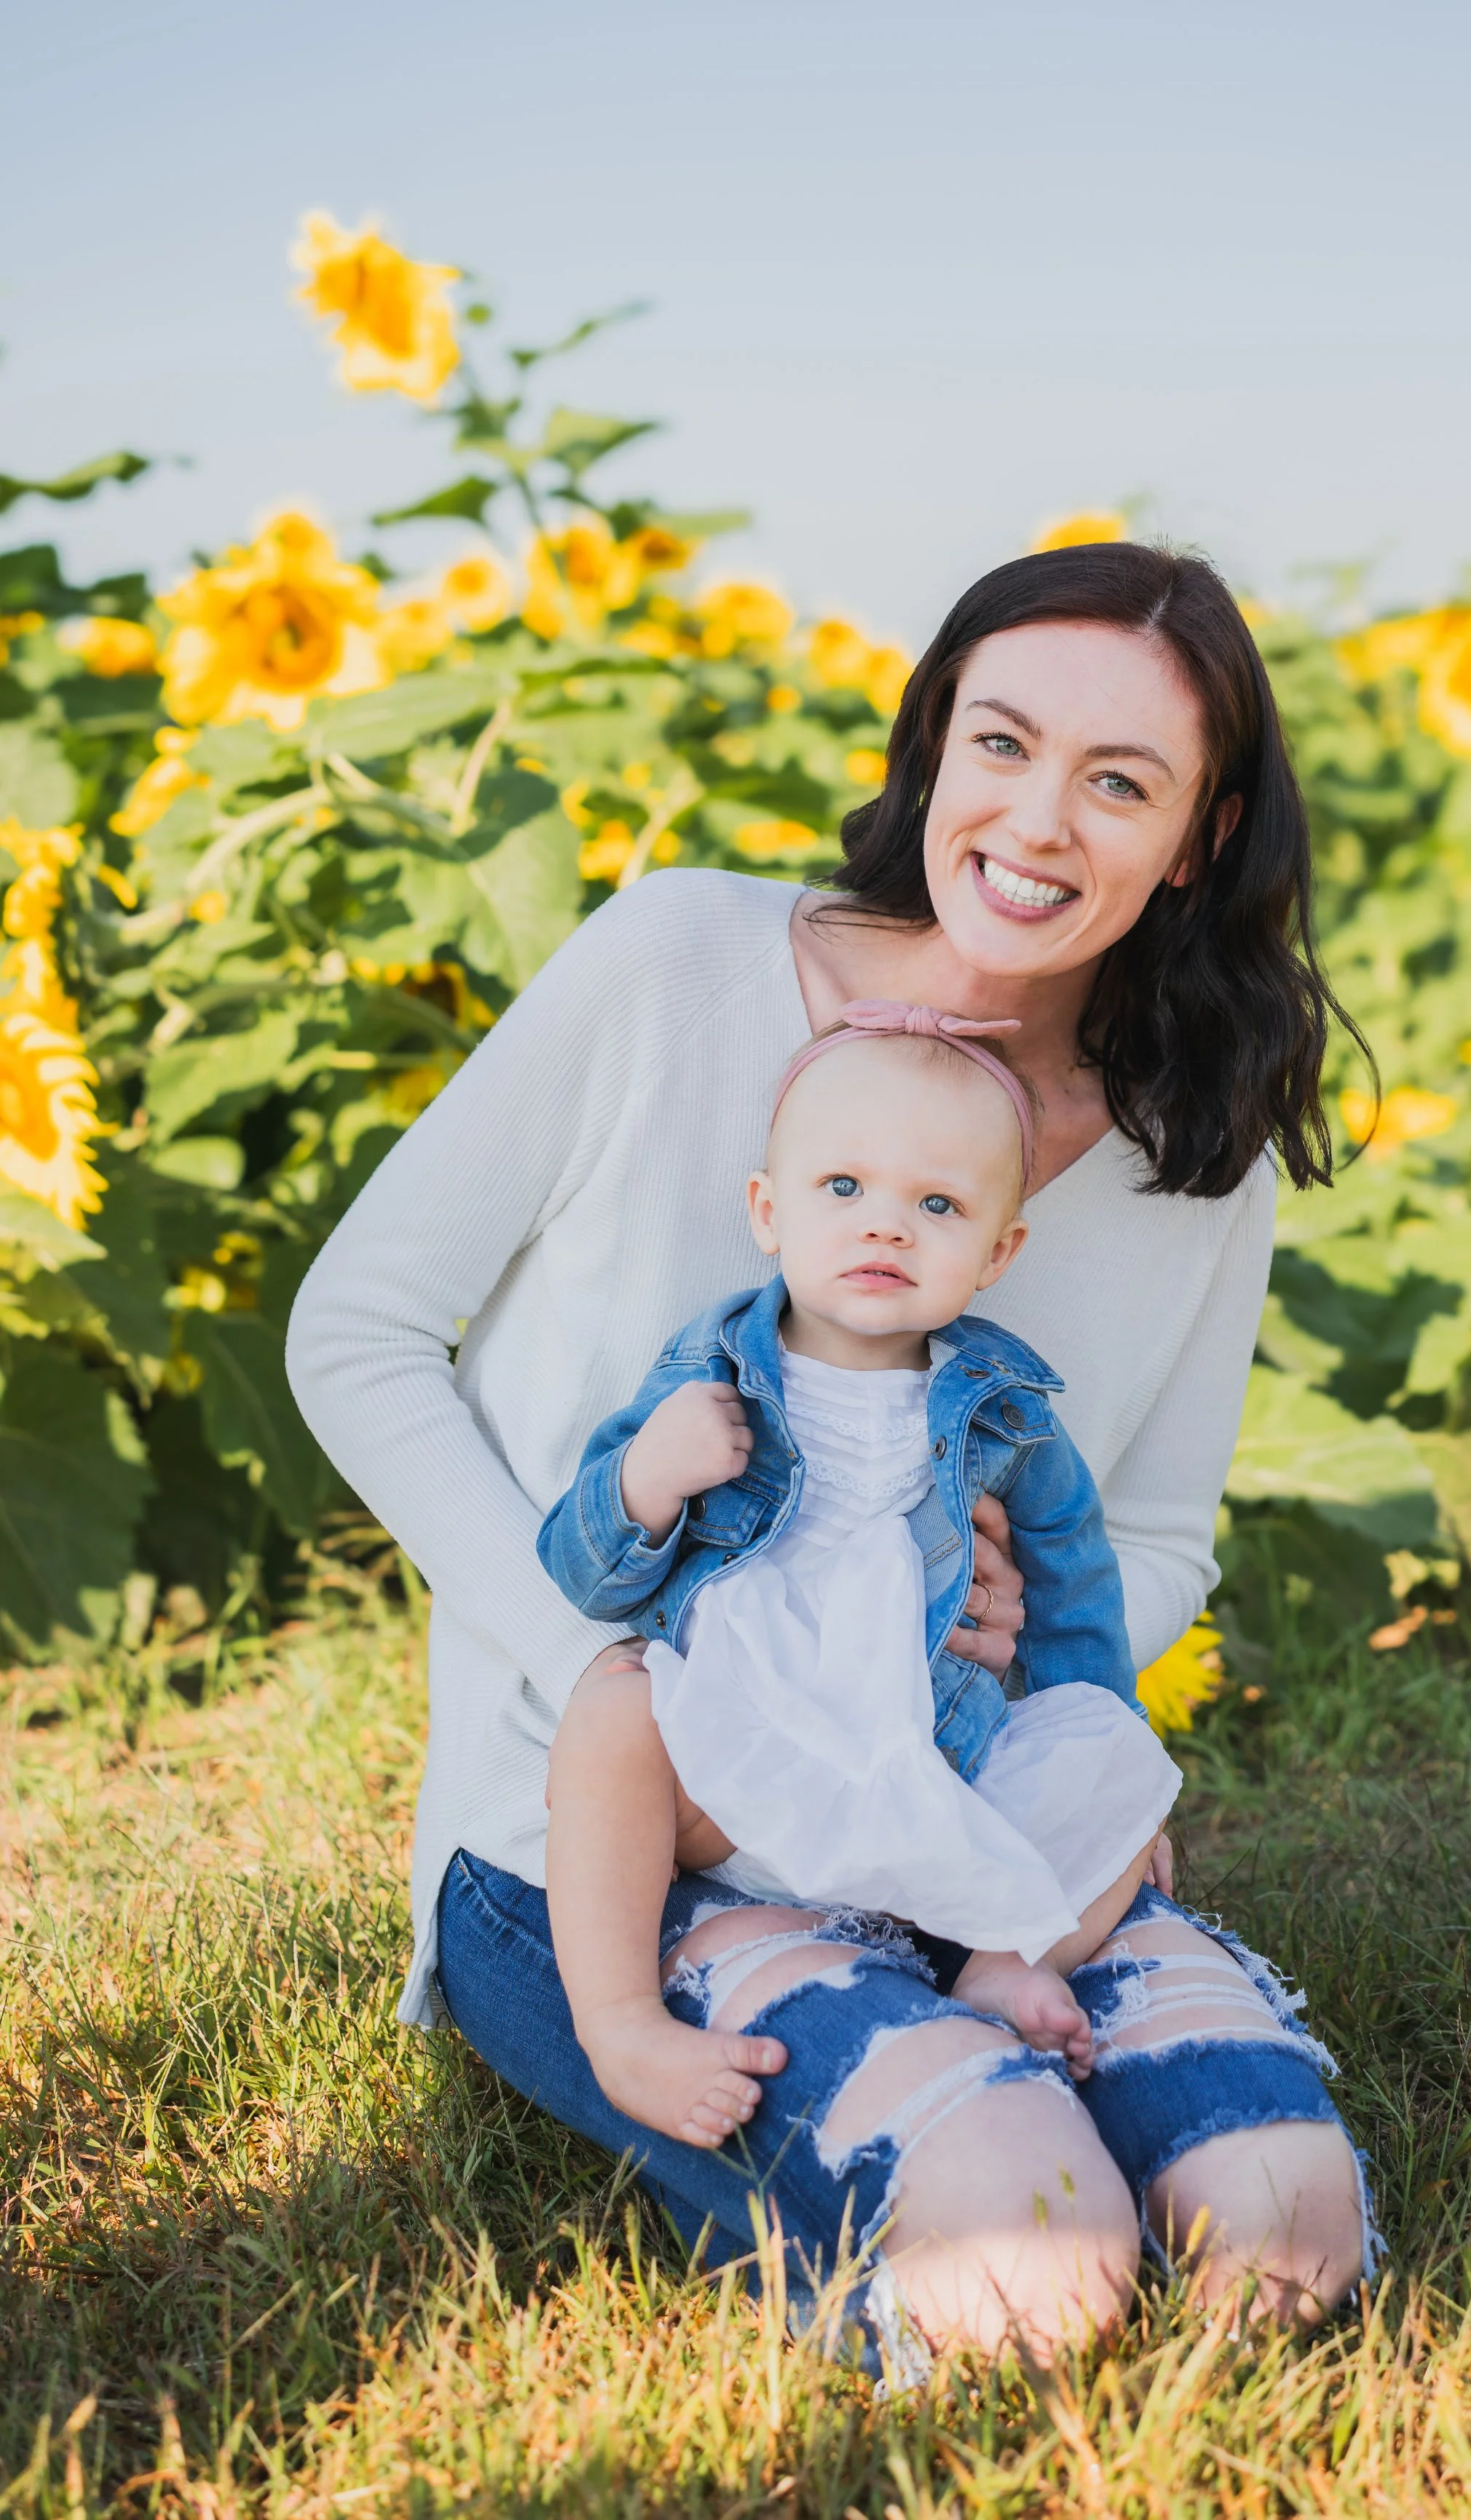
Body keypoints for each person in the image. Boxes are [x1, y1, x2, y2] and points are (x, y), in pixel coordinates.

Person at [288, 539, 1379, 2366]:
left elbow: (1163, 1528)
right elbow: (356, 1334)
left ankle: (1015, 2028)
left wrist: (1022, 1633)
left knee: (1278, 2236)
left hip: (952, 1817)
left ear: (1197, 835)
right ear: (932, 747)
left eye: (1118, 781)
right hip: (599, 1853)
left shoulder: (1196, 1145)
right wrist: (629, 1695)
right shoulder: (680, 961)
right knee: (1032, 2274)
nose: (1036, 820)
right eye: (1000, 741)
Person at [532, 1004, 1183, 2147]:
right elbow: (581, 1572)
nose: (886, 1226)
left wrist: (1102, 1748)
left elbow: (1077, 1595)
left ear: (998, 1253)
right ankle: (621, 2023)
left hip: (937, 1772)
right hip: (735, 1771)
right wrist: (647, 1478)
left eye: (937, 1206)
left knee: (1126, 1766)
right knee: (613, 1708)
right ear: (767, 1214)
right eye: (843, 1189)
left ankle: (1000, 1965)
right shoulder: (713, 1371)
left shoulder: (1007, 1419)